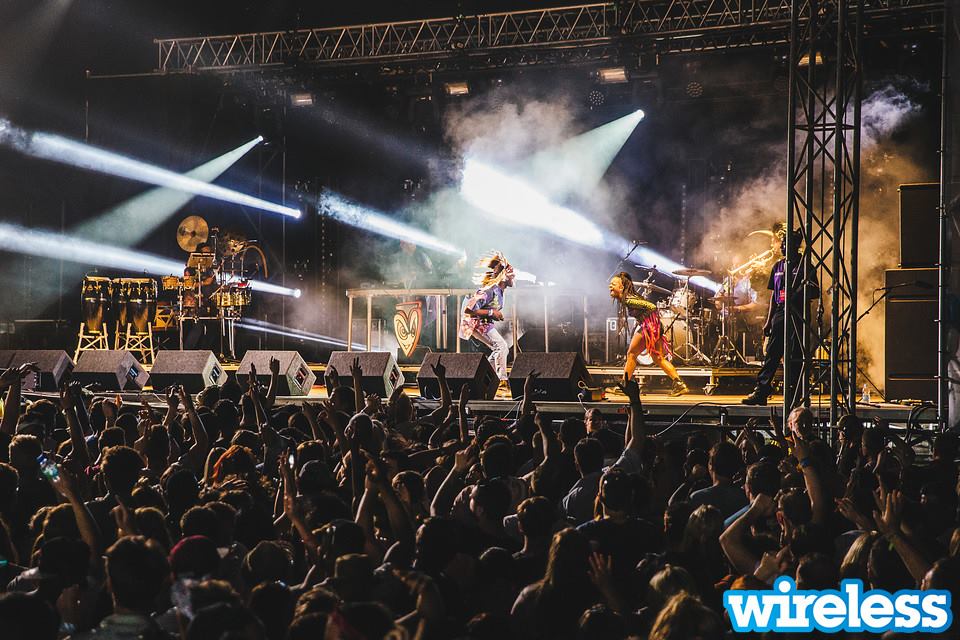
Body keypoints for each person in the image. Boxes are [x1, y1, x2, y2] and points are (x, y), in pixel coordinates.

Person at [742, 228, 820, 405]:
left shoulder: (805, 265)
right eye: (782, 244)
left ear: (795, 245)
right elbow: (773, 295)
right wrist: (769, 320)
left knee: (795, 354)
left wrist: (798, 291)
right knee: (772, 353)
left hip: (798, 312)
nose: (783, 247)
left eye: (786, 244)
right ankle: (761, 390)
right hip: (780, 311)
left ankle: (793, 393)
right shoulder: (777, 266)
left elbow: (815, 292)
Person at [608, 271, 688, 396]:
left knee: (631, 354)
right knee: (658, 358)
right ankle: (679, 384)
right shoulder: (629, 298)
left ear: (621, 287)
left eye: (613, 284)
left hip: (649, 328)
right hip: (654, 327)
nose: (610, 286)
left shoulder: (629, 299)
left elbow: (651, 306)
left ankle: (625, 386)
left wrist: (649, 322)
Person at [459, 251, 516, 381]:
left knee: (500, 349)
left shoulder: (499, 291)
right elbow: (469, 309)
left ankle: (484, 376)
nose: (512, 279)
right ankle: (501, 380)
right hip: (475, 324)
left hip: (484, 324)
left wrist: (493, 314)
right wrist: (492, 313)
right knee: (501, 347)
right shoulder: (489, 290)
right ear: (503, 276)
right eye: (510, 276)